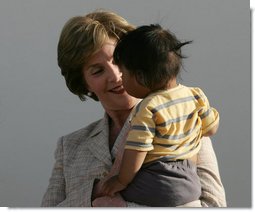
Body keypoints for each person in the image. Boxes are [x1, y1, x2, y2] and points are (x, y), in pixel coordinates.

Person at [41, 9, 226, 207]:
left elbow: (214, 205)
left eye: (118, 61)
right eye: (97, 70)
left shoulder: (185, 120)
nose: (115, 76)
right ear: (84, 83)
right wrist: (93, 194)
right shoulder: (69, 147)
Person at [100, 24, 219, 207]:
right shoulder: (196, 95)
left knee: (108, 199)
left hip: (158, 184)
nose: (120, 80)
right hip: (191, 183)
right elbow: (210, 129)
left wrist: (121, 181)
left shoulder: (148, 108)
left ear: (139, 76)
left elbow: (137, 151)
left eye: (123, 74)